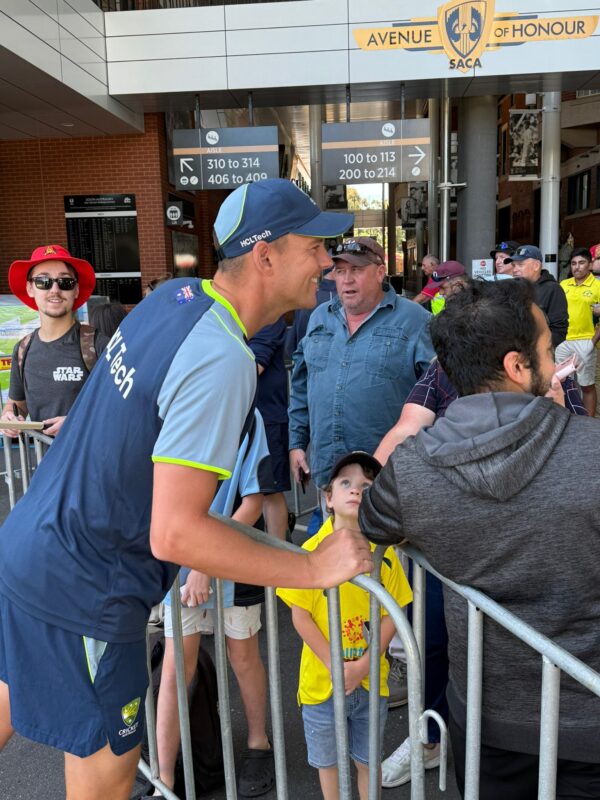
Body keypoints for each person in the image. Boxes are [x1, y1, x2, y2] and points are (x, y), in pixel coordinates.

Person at [0, 179, 375, 800]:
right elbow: (175, 532)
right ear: (266, 256)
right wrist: (311, 571)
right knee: (107, 771)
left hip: (32, 548)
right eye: (316, 246)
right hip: (87, 585)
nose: (329, 264)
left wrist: (300, 560)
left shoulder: (177, 297)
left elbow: (178, 510)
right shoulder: (223, 357)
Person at [360, 279, 600, 799]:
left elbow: (373, 523)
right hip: (585, 725)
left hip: (482, 726)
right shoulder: (592, 453)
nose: (554, 358)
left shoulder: (413, 472)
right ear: (517, 366)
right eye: (545, 349)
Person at [277, 452, 412, 800]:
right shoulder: (309, 550)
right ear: (328, 497)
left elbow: (390, 614)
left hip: (371, 684)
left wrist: (363, 666)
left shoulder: (384, 555)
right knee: (329, 765)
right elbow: (300, 616)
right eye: (346, 483)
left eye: (367, 486)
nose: (356, 491)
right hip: (322, 684)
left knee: (368, 762)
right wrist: (336, 666)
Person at [156, 410, 274, 797]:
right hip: (179, 560)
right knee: (177, 665)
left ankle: (259, 743)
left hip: (234, 556)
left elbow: (253, 502)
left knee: (242, 655)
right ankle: (165, 780)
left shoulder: (247, 417)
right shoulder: (170, 410)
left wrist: (207, 559)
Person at [289, 236, 434, 496]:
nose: (346, 279)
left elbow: (441, 394)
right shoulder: (320, 317)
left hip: (392, 481)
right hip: (331, 477)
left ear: (380, 273)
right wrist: (297, 443)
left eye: (356, 270)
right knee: (336, 538)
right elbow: (302, 384)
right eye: (340, 271)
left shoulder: (416, 320)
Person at [0, 244, 109, 438]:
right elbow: (17, 404)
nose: (55, 289)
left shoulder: (99, 346)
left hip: (93, 464)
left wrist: (78, 421)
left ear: (75, 290)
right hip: (44, 465)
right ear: (30, 288)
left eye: (65, 282)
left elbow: (126, 406)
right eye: (43, 281)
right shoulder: (23, 350)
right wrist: (9, 416)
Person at [249, 317, 292, 540]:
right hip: (242, 419)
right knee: (252, 491)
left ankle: (278, 551)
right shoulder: (234, 320)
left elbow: (254, 366)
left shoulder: (270, 319)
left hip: (268, 420)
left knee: (270, 491)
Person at [557, 247, 600, 417]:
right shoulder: (563, 285)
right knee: (560, 383)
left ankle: (588, 424)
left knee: (586, 385)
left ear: (590, 265)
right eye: (573, 263)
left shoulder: (597, 286)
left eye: (582, 263)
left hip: (586, 340)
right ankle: (564, 419)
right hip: (563, 341)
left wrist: (593, 341)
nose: (577, 267)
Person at [505, 244, 568, 348]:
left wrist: (536, 349)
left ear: (536, 266)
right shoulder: (511, 289)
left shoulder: (553, 289)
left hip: (540, 355)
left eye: (520, 265)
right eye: (513, 265)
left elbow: (559, 332)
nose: (515, 270)